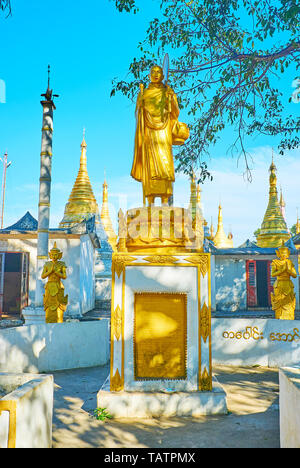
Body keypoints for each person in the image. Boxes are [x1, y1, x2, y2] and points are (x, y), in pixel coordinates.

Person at [131, 65, 189, 206]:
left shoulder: (167, 91)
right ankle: (150, 199)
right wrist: (140, 105)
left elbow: (175, 112)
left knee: (164, 164)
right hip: (149, 133)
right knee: (150, 165)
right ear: (150, 75)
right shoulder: (144, 93)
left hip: (163, 132)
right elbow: (138, 115)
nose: (156, 74)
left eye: (158, 72)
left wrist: (171, 98)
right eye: (153, 72)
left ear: (163, 75)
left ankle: (164, 199)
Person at [42, 242, 68, 323]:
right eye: (52, 254)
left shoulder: (62, 264)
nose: (54, 256)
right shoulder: (47, 264)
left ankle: (59, 320)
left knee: (59, 305)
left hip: (58, 285)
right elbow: (43, 276)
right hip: (49, 286)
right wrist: (49, 271)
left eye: (56, 254)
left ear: (59, 255)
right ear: (50, 255)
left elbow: (64, 276)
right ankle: (49, 320)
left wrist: (57, 272)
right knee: (48, 305)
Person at [271, 243, 297, 320]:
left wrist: (288, 270)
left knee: (288, 303)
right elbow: (273, 274)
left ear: (288, 254)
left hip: (288, 284)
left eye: (285, 253)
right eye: (282, 253)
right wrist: (281, 270)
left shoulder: (289, 263)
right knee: (279, 302)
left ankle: (290, 317)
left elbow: (295, 275)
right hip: (279, 284)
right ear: (278, 254)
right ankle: (279, 317)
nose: (284, 255)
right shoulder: (275, 262)